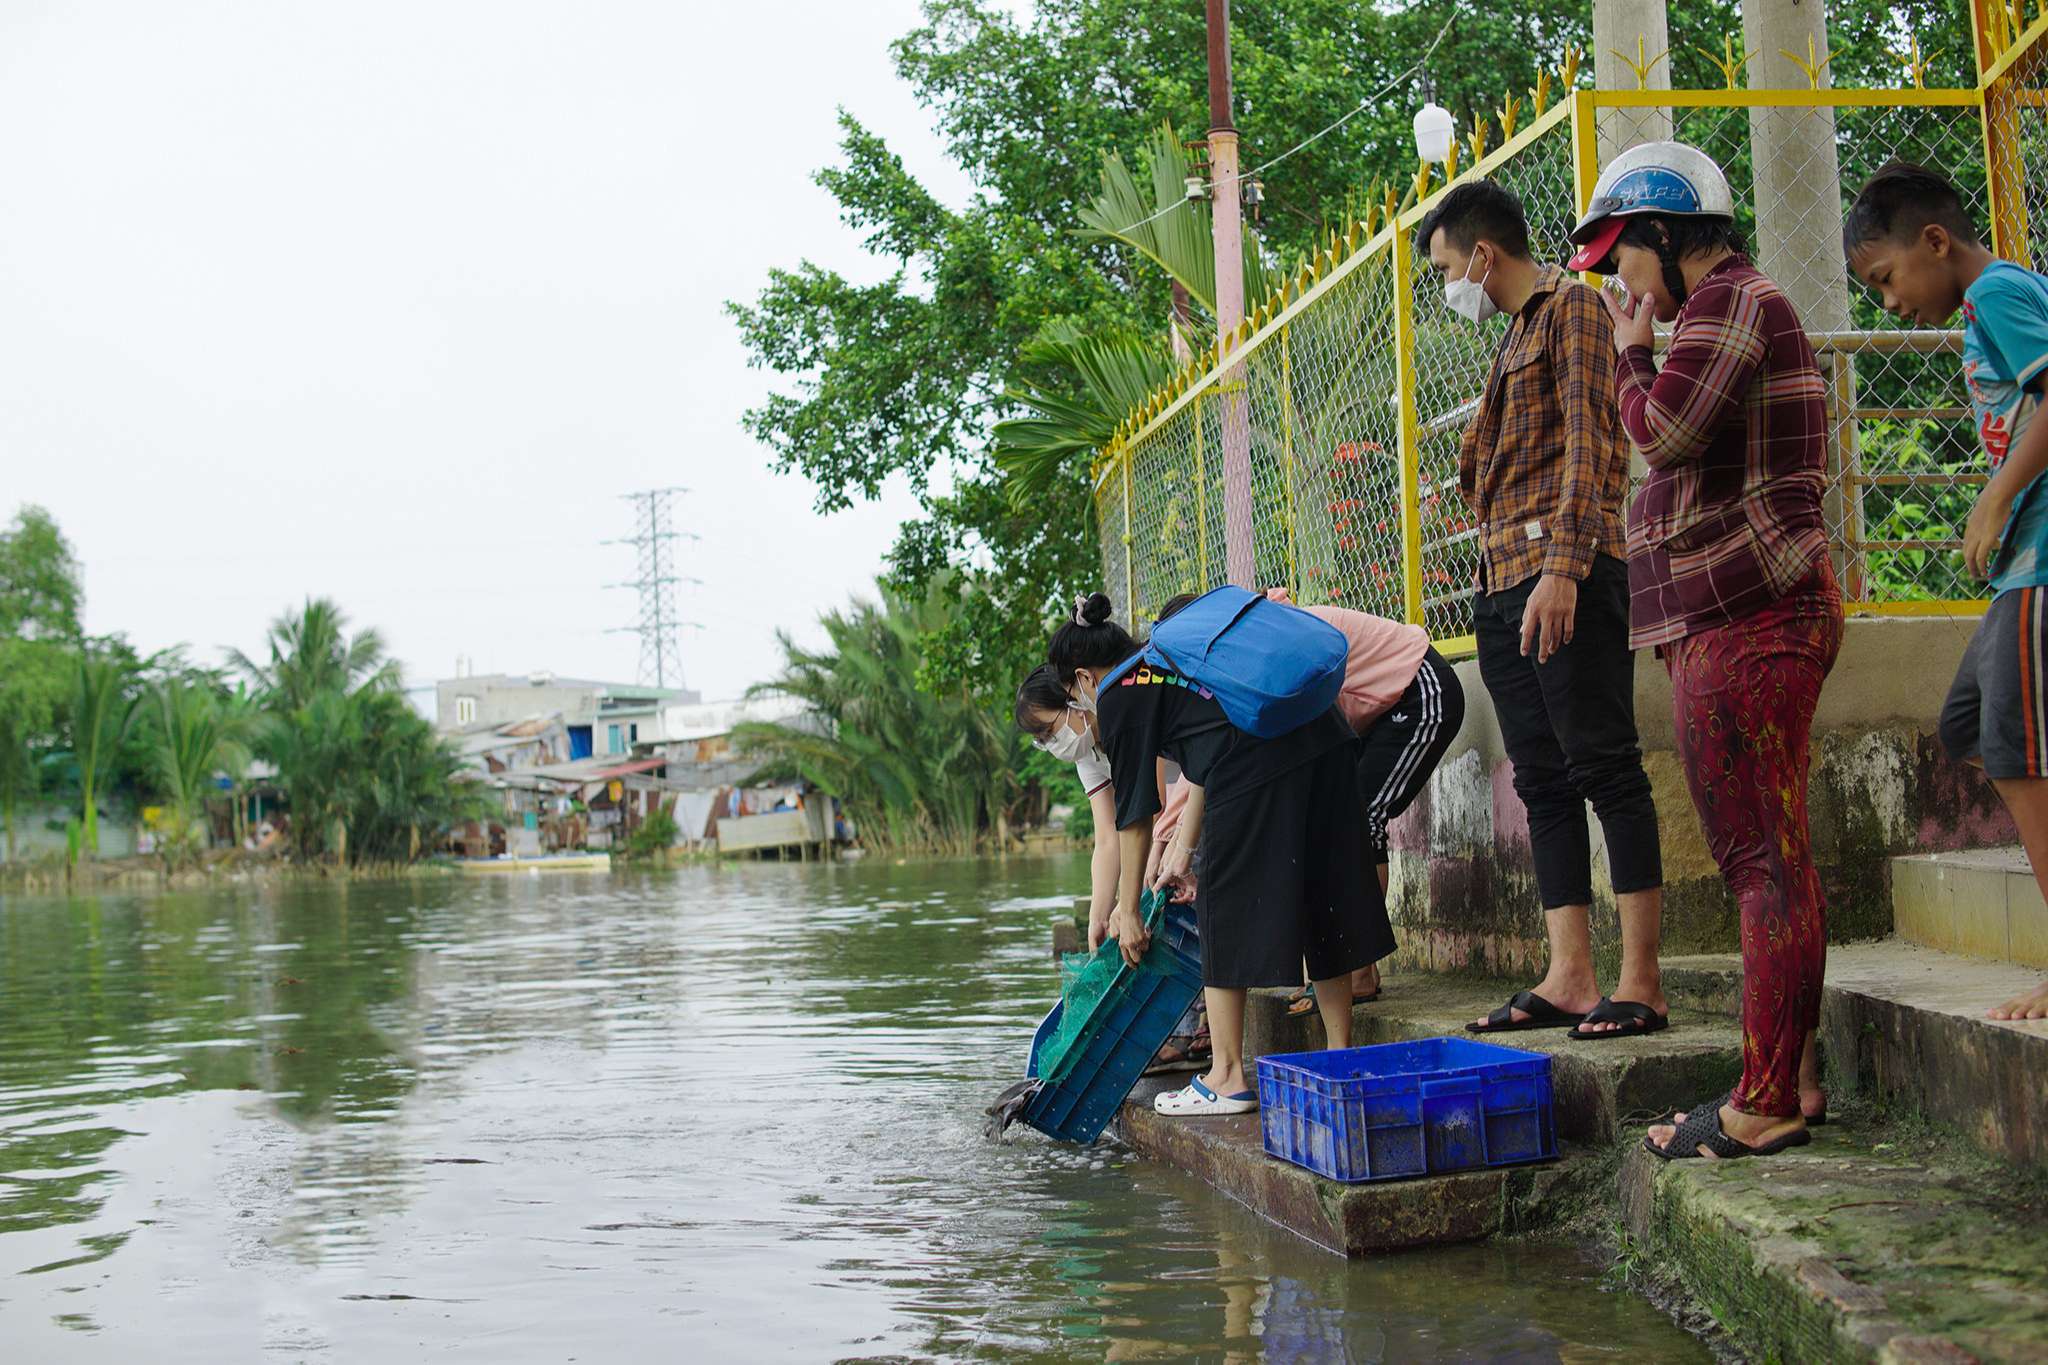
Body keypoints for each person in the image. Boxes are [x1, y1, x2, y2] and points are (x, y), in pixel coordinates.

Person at [1572, 141, 1842, 1158]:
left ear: (1660, 234)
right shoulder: (1722, 309)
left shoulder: (1730, 300)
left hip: (1752, 619)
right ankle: (1792, 1074)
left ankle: (1764, 1099)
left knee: (1757, 860)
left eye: (1619, 256)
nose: (1614, 281)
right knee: (1772, 857)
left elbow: (1664, 433)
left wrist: (1630, 352)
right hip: (1737, 621)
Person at [1418, 178, 1669, 1040]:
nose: (1449, 286)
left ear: (1483, 254)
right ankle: (1569, 973)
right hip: (1500, 582)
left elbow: (1594, 447)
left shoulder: (1575, 312)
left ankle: (1641, 980)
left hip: (1563, 574)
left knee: (1604, 765)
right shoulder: (1514, 335)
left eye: (1448, 267)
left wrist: (1564, 569)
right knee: (1544, 781)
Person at [1050, 592, 1391, 1116]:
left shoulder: (1122, 690)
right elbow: (1208, 753)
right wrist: (1183, 850)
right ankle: (1339, 1058)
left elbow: (1136, 814)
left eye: (1070, 698)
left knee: (1222, 905)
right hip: (1326, 738)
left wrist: (1128, 908)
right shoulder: (1168, 659)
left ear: (1083, 678)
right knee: (1324, 894)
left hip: (1259, 766)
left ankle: (1227, 1077)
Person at [1846, 160, 2048, 1023]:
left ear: (1935, 241)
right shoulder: (1982, 306)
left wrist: (1997, 494)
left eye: (1887, 278)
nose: (1888, 303)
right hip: (2019, 568)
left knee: (2013, 745)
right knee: (1969, 725)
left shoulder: (2001, 290)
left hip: (2042, 559)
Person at [1259, 588, 1466, 1015]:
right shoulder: (1270, 645)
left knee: (1361, 817)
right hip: (1384, 711)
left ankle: (1355, 970)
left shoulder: (1289, 640)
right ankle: (1359, 972)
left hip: (1420, 688)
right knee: (1344, 818)